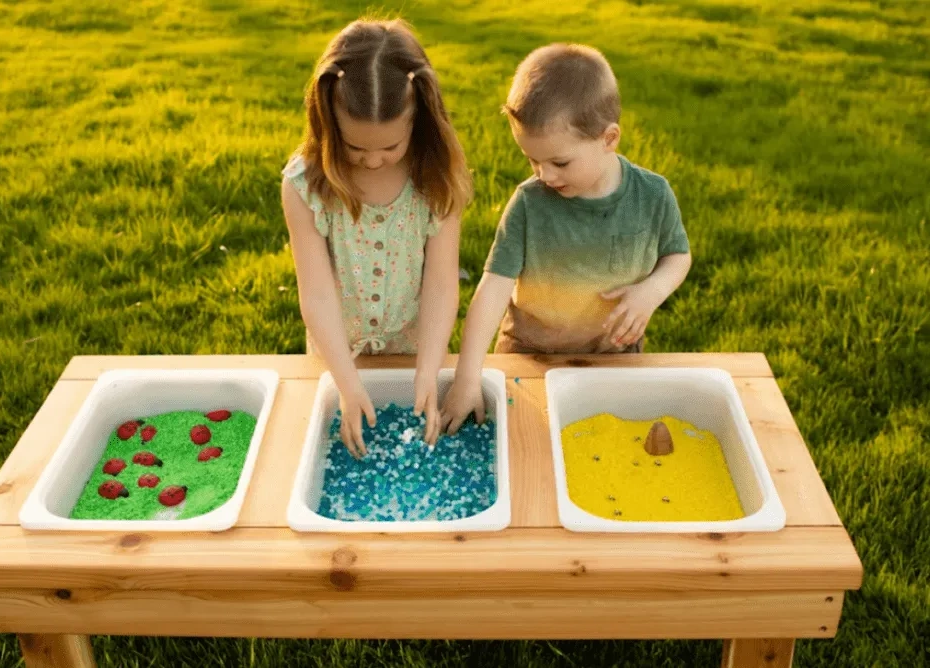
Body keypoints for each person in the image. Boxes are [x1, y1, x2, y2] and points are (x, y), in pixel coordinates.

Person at [441, 43, 691, 433]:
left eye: (559, 162)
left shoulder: (652, 195)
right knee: (526, 446)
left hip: (613, 357)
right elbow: (493, 288)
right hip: (529, 357)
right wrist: (467, 377)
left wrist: (652, 290)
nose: (544, 175)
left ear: (609, 138)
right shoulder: (529, 203)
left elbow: (677, 255)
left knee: (603, 443)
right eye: (532, 160)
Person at [282, 18, 472, 457]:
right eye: (354, 147)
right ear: (328, 122)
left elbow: (441, 284)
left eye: (390, 147)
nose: (372, 161)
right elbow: (317, 294)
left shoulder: (436, 179)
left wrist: (428, 372)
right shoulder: (305, 186)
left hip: (414, 352)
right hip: (336, 354)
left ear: (418, 122)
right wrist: (347, 385)